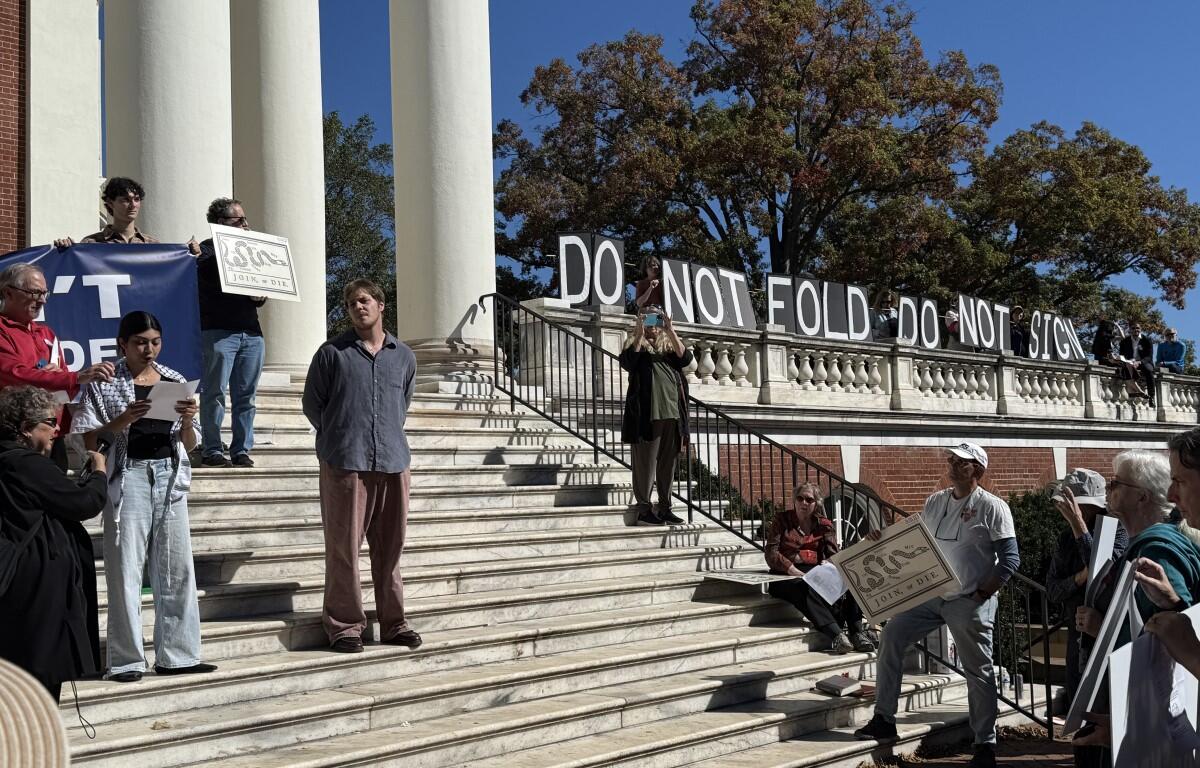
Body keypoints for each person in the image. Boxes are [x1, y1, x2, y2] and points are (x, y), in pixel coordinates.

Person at [854, 442, 1020, 768]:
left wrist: (982, 595)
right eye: (953, 459)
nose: (954, 465)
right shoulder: (935, 500)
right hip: (932, 595)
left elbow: (1010, 559)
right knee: (891, 637)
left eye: (963, 462)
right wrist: (881, 538)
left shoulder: (993, 507)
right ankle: (884, 718)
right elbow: (915, 542)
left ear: (978, 470)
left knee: (979, 671)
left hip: (969, 600)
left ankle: (985, 744)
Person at [72, 311, 213, 682]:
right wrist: (124, 420)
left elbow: (191, 443)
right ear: (123, 344)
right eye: (139, 343)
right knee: (125, 568)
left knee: (176, 566)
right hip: (128, 473)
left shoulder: (174, 380)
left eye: (154, 342)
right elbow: (89, 442)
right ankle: (126, 660)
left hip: (168, 474)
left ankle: (179, 655)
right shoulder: (105, 382)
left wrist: (185, 419)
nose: (148, 350)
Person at [302, 279, 421, 653]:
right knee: (343, 549)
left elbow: (404, 401)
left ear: (381, 305)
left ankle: (394, 622)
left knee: (391, 548)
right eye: (351, 303)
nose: (357, 307)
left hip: (392, 460)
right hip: (345, 461)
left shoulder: (404, 356)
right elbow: (313, 404)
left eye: (364, 300)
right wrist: (336, 436)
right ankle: (345, 627)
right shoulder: (331, 353)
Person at [0, 386, 107, 700]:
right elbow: (83, 502)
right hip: (35, 586)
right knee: (38, 678)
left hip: (16, 582)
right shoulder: (26, 464)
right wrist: (99, 472)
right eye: (50, 421)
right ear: (25, 427)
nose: (58, 428)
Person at [0, 262, 115, 468]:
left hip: (53, 433)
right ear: (8, 293)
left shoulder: (47, 334)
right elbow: (14, 374)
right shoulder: (2, 330)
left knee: (54, 495)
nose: (42, 300)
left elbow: (65, 386)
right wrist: (73, 377)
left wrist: (65, 379)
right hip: (15, 434)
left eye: (45, 293)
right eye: (35, 293)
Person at [188, 198, 267, 468]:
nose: (246, 225)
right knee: (215, 392)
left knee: (247, 396)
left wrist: (260, 295)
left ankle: (241, 449)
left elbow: (261, 293)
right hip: (218, 333)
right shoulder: (204, 253)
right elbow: (204, 276)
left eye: (245, 219)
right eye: (239, 220)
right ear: (222, 223)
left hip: (251, 333)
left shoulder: (253, 252)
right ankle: (211, 448)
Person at [1043, 469, 1127, 714]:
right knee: (1078, 705)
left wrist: (1080, 527)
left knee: (1105, 707)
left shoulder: (1117, 530)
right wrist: (1079, 578)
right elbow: (1053, 591)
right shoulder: (1066, 538)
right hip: (1076, 632)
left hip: (1106, 630)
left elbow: (1103, 573)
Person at [764, 482, 874, 653]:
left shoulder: (824, 525)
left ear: (816, 503)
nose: (804, 503)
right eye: (800, 498)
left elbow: (833, 554)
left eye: (809, 499)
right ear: (795, 500)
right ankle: (836, 635)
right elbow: (771, 554)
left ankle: (857, 632)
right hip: (783, 575)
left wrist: (827, 561)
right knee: (806, 586)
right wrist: (793, 567)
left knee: (849, 578)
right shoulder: (782, 520)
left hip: (814, 571)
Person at [619, 305, 693, 527]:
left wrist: (670, 329)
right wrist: (639, 333)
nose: (652, 321)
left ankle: (665, 507)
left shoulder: (668, 346)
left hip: (673, 413)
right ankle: (644, 509)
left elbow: (686, 358)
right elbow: (627, 362)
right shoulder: (636, 345)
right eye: (648, 316)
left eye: (656, 316)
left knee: (667, 465)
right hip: (647, 415)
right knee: (645, 464)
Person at [53, 177, 159, 247]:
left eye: (136, 199)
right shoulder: (91, 243)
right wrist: (65, 252)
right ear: (110, 203)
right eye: (125, 200)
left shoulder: (152, 245)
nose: (133, 205)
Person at [1092, 320, 1149, 401]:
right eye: (1113, 328)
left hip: (1108, 359)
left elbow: (1123, 337)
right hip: (1103, 360)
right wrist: (1118, 359)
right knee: (1125, 365)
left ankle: (1133, 389)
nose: (1113, 329)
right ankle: (1136, 389)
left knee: (1127, 365)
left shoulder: (1107, 337)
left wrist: (1118, 326)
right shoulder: (1104, 339)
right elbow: (1109, 357)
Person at [1119, 320, 1156, 404]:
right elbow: (1121, 354)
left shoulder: (1147, 340)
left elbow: (1149, 357)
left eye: (1138, 328)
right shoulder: (1125, 341)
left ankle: (1151, 397)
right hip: (1130, 362)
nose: (1136, 330)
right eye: (1133, 328)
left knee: (1149, 371)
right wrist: (1128, 361)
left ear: (1141, 329)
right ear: (1130, 330)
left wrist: (1139, 362)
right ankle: (1133, 391)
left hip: (1144, 362)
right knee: (1124, 369)